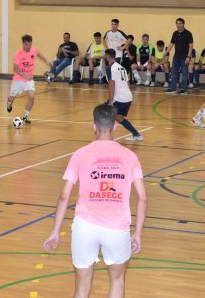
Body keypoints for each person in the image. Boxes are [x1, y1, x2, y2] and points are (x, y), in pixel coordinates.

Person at [43, 104, 148, 298]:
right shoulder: (130, 156)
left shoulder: (80, 154)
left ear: (94, 126)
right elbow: (142, 197)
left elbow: (64, 196)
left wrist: (55, 232)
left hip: (85, 227)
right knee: (117, 280)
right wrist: (138, 233)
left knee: (81, 287)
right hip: (117, 228)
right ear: (115, 126)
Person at [6, 34, 52, 124]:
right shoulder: (18, 54)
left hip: (29, 79)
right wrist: (24, 75)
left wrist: (47, 61)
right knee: (12, 97)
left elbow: (39, 54)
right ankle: (9, 103)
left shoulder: (33, 50)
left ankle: (25, 116)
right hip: (18, 79)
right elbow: (15, 68)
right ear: (23, 44)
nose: (28, 46)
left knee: (31, 96)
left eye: (30, 44)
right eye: (26, 44)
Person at [105, 49, 143, 141]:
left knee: (105, 113)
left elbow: (111, 84)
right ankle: (137, 135)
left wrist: (110, 101)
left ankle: (106, 138)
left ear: (107, 57)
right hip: (128, 96)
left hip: (120, 98)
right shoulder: (121, 67)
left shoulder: (110, 68)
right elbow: (128, 84)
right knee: (119, 117)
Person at [164, 18, 193, 95]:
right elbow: (171, 44)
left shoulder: (188, 33)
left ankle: (184, 89)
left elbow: (191, 46)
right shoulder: (175, 33)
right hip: (176, 56)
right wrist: (166, 52)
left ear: (183, 24)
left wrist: (188, 57)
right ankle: (172, 88)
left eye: (180, 23)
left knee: (184, 73)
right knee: (173, 72)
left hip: (184, 57)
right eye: (177, 23)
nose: (178, 25)